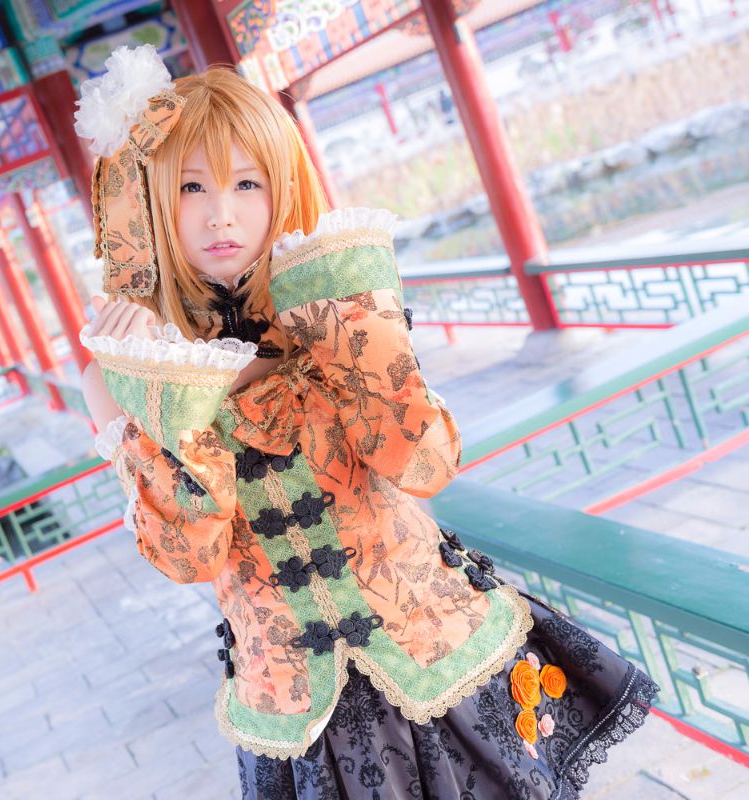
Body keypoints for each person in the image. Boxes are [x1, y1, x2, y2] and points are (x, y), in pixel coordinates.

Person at [75, 45, 657, 799]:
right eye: (191, 187)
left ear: (281, 184)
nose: (222, 213)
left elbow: (424, 462)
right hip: (297, 708)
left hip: (438, 654)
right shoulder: (120, 374)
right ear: (150, 198)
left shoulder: (329, 302)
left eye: (247, 182)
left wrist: (356, 324)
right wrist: (163, 398)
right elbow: (190, 556)